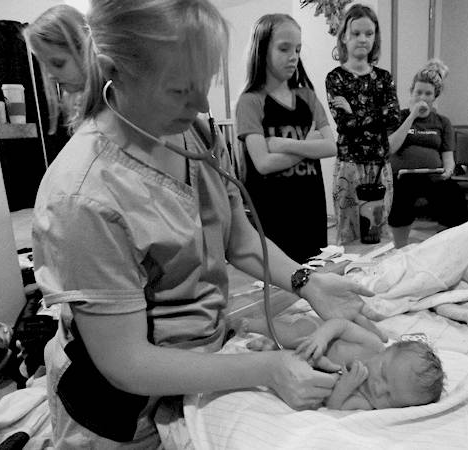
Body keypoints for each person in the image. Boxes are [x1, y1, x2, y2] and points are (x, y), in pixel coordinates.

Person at [32, 1, 380, 447]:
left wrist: (307, 282)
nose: (200, 104)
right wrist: (267, 368)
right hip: (123, 413)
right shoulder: (81, 198)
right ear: (111, 71)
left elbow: (236, 235)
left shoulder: (189, 131)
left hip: (202, 368)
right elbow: (126, 362)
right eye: (180, 89)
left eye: (206, 82)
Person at [236, 14, 336, 263]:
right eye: (284, 48)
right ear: (262, 50)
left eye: (298, 49)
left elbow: (331, 146)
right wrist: (309, 145)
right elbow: (263, 164)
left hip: (310, 208)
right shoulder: (250, 101)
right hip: (273, 213)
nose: (293, 56)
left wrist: (285, 145)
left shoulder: (307, 97)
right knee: (280, 285)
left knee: (313, 275)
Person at [239, 316, 444, 409]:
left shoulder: (365, 401)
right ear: (387, 350)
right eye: (382, 372)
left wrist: (346, 387)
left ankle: (272, 347)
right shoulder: (372, 344)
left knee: (288, 358)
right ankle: (254, 325)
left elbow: (335, 407)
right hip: (314, 337)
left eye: (390, 397)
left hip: (299, 367)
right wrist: (321, 337)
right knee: (295, 334)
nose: (378, 388)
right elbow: (341, 325)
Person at [325, 4, 400, 244]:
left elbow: (393, 118)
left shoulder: (384, 78)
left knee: (378, 234)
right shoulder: (335, 78)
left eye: (369, 33)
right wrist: (373, 115)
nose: (363, 39)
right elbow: (343, 124)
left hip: (380, 166)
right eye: (356, 33)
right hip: (349, 166)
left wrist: (355, 113)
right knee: (348, 235)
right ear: (344, 36)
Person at [387, 59, 468, 248]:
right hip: (402, 177)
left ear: (434, 97)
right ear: (411, 93)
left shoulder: (442, 122)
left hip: (432, 177)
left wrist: (448, 171)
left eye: (428, 93)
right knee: (401, 196)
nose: (422, 97)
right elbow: (391, 147)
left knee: (454, 195)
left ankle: (445, 246)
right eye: (418, 92)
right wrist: (412, 116)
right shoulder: (398, 116)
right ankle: (400, 248)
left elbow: (448, 156)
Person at [23, 5, 87, 135]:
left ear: (86, 52)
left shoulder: (115, 108)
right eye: (45, 66)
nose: (50, 75)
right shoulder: (79, 109)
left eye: (58, 64)